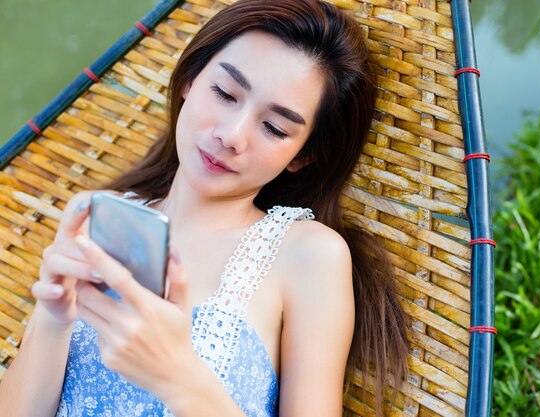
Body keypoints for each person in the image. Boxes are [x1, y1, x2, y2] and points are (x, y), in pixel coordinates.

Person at [0, 0, 409, 416]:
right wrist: (52, 319)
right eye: (225, 93)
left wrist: (177, 378)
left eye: (274, 128)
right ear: (190, 80)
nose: (232, 135)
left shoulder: (308, 254)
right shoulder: (102, 218)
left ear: (302, 156)